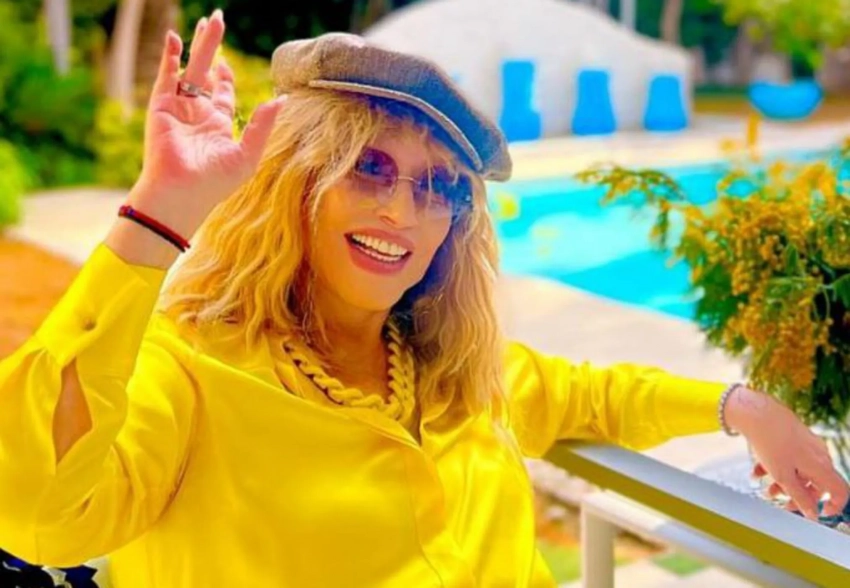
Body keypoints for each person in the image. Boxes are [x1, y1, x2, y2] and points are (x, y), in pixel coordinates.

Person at [0, 9, 846, 587]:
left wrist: (742, 407)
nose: (402, 213)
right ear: (295, 185)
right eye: (368, 167)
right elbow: (38, 514)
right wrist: (157, 217)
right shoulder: (189, 371)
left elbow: (594, 395)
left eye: (438, 185)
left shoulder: (450, 369)